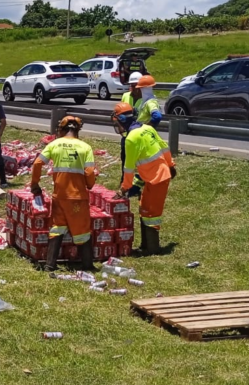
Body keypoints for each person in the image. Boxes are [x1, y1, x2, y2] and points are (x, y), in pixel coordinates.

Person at [30, 116, 96, 271]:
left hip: (59, 196)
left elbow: (38, 163)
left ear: (62, 129)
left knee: (57, 228)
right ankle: (87, 265)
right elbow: (90, 171)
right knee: (82, 231)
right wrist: (89, 184)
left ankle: (50, 265)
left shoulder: (55, 144)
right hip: (78, 197)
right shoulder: (85, 147)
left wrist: (35, 183)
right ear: (77, 130)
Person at [112, 103, 177, 254]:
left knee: (151, 213)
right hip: (155, 176)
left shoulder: (131, 139)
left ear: (122, 120)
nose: (117, 127)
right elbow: (164, 147)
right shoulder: (148, 128)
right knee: (144, 207)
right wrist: (171, 164)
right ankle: (146, 245)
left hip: (157, 178)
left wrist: (124, 188)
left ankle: (153, 249)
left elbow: (128, 168)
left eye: (117, 124)